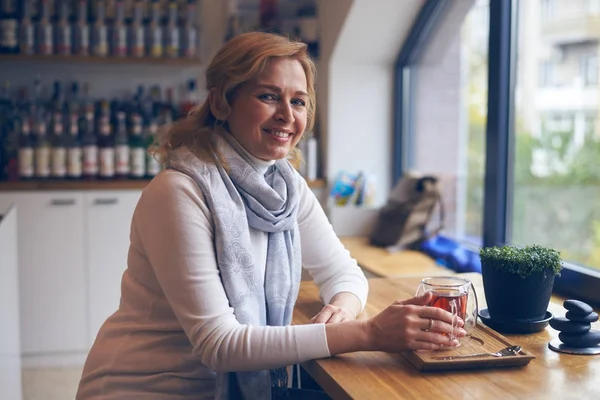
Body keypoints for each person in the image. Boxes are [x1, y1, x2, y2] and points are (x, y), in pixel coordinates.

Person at [76, 31, 464, 400]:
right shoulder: (179, 192)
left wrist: (341, 310)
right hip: (146, 389)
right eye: (268, 96)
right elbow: (220, 344)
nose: (286, 115)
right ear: (220, 103)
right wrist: (368, 333)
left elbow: (344, 273)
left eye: (298, 101)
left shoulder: (285, 186)